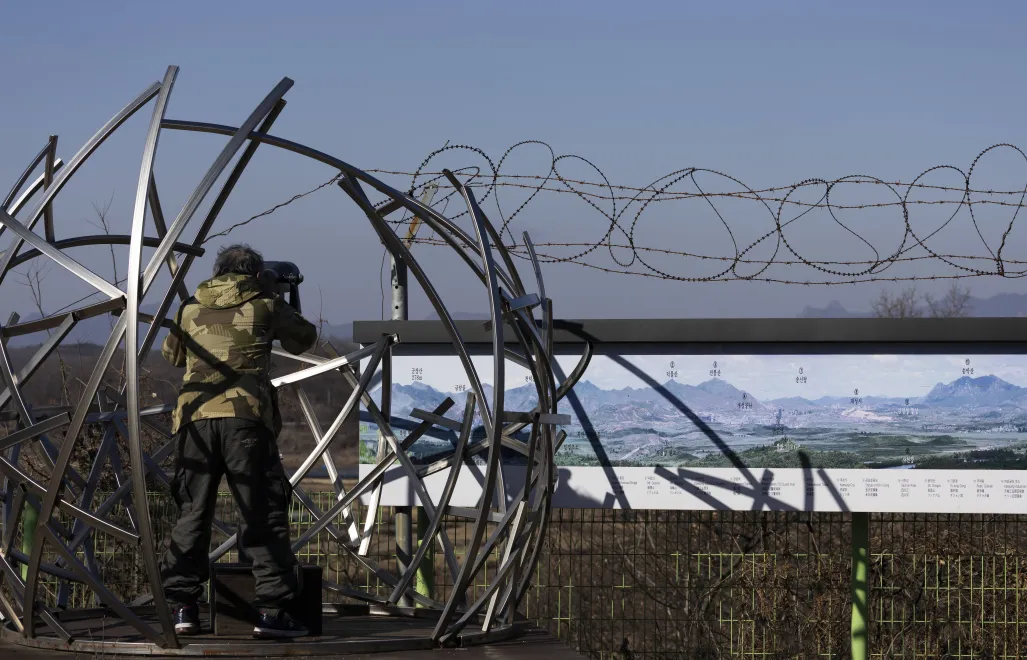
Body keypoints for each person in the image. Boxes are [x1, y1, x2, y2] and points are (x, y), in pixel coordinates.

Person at [158, 244, 318, 639]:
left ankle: (183, 606)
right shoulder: (265, 304)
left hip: (194, 420)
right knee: (261, 513)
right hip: (245, 419)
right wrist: (278, 295)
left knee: (193, 512)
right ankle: (272, 613)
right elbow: (304, 339)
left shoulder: (192, 307)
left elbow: (171, 356)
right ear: (256, 273)